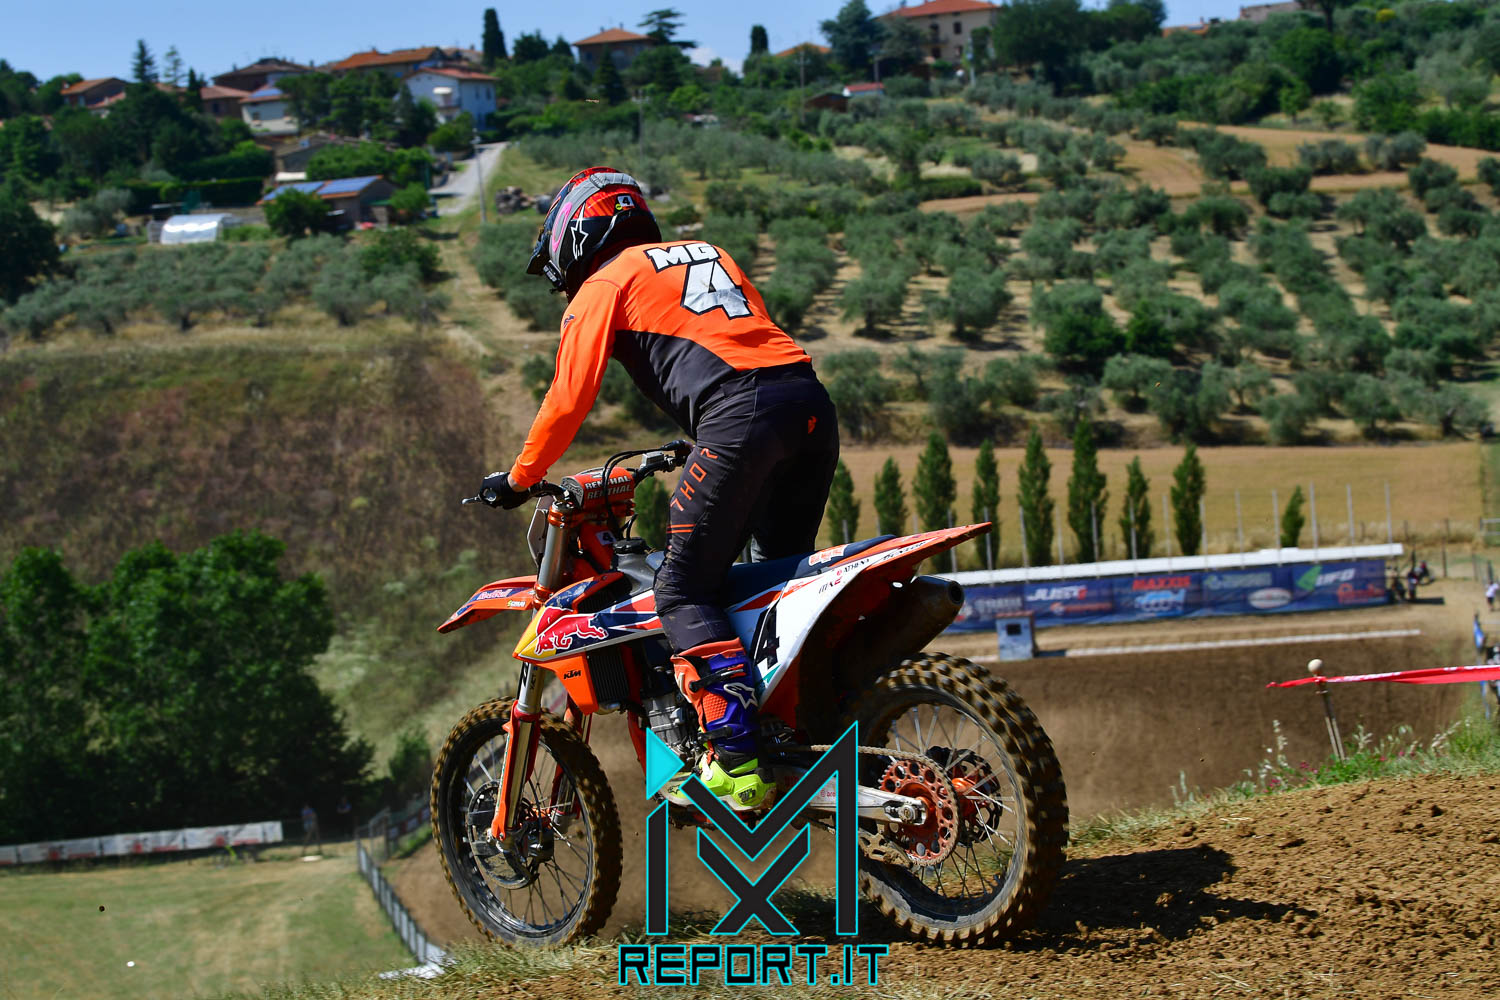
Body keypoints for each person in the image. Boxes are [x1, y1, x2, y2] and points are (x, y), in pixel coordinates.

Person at [478, 167, 838, 811]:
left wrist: (518, 478)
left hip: (738, 417)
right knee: (771, 581)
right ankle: (804, 729)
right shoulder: (709, 253)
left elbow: (568, 399)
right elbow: (741, 340)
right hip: (809, 406)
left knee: (681, 588)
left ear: (577, 234)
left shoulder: (605, 283)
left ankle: (738, 760)